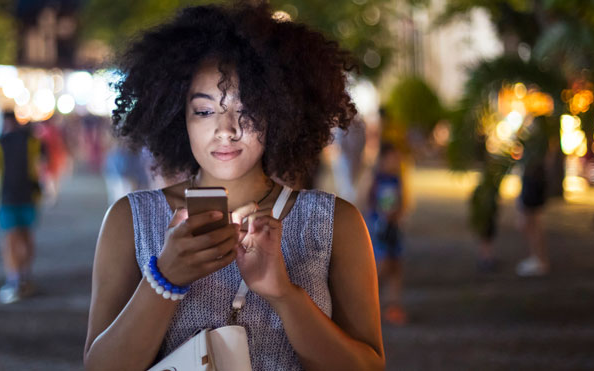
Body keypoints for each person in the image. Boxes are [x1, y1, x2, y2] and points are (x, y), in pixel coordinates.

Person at [84, 4, 384, 370]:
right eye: (205, 111)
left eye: (247, 110)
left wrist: (285, 296)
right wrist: (165, 280)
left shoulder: (336, 223)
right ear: (178, 117)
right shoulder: (130, 220)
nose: (226, 129)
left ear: (281, 112)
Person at [0, 112, 43, 304]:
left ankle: (16, 279)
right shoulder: (30, 141)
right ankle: (22, 276)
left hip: (10, 197)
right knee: (23, 238)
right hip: (25, 196)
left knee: (13, 240)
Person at [366, 142, 407, 325]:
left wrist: (398, 215)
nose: (396, 161)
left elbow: (403, 201)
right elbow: (364, 200)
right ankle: (365, 301)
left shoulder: (398, 179)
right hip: (378, 228)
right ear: (382, 159)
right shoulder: (374, 178)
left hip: (394, 228)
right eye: (392, 157)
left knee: (396, 266)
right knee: (382, 266)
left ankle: (393, 305)